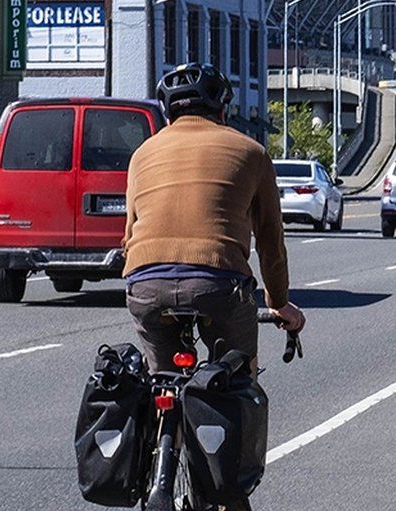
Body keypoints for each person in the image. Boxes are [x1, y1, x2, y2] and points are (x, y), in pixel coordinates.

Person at [122, 62, 305, 376]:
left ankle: (158, 418)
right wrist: (278, 301)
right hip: (218, 284)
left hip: (145, 283)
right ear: (223, 110)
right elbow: (270, 237)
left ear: (168, 115)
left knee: (160, 378)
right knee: (236, 380)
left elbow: (129, 235)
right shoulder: (251, 151)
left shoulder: (141, 154)